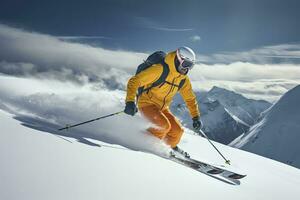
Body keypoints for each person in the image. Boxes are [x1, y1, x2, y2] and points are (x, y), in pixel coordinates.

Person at [124, 46, 202, 158]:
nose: (187, 69)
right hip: (147, 103)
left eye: (190, 66)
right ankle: (144, 142)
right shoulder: (160, 70)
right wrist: (130, 101)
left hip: (163, 107)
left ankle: (168, 147)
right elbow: (134, 81)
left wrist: (196, 117)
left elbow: (190, 98)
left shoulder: (183, 79)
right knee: (163, 126)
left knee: (177, 131)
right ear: (178, 59)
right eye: (185, 64)